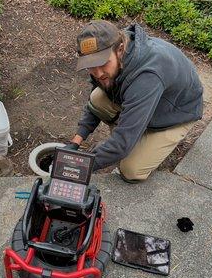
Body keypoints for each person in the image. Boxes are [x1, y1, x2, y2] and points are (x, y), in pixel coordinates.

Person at [66, 20, 203, 183]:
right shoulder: (109, 50)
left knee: (131, 170)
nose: (97, 73)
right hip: (145, 99)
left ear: (120, 49)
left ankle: (149, 134)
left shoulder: (147, 76)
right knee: (97, 98)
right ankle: (134, 128)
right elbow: (95, 97)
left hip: (176, 112)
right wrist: (76, 141)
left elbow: (121, 145)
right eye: (90, 66)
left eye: (102, 63)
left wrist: (78, 167)